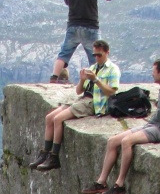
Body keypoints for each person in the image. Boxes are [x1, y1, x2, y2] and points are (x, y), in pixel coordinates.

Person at [80, 59, 160, 194]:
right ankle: (101, 182)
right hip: (152, 124)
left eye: (154, 71)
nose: (152, 74)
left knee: (127, 141)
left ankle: (120, 184)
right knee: (112, 141)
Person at [32, 40, 120, 171]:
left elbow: (112, 91)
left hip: (95, 102)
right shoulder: (93, 68)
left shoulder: (112, 69)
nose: (96, 58)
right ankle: (44, 153)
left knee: (58, 119)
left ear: (107, 52)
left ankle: (54, 156)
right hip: (83, 98)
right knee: (49, 118)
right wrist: (82, 80)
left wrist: (96, 80)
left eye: (99, 55)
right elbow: (79, 91)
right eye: (95, 55)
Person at [50, 0, 115, 83]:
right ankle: (98, 82)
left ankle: (54, 77)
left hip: (73, 25)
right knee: (96, 56)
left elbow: (66, 1)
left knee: (64, 54)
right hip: (90, 26)